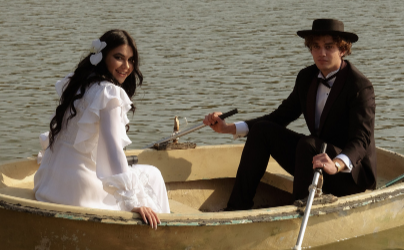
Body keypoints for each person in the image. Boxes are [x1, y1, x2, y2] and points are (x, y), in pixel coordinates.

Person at [203, 19, 376, 210]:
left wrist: (335, 164)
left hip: (348, 174)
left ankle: (298, 209)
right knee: (262, 131)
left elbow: (360, 141)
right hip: (314, 162)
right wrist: (228, 128)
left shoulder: (360, 86)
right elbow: (279, 117)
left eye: (329, 47)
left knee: (308, 145)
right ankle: (237, 207)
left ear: (343, 50)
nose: (322, 53)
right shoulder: (306, 78)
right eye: (316, 47)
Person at [34, 29, 170, 229]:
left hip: (49, 184)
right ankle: (161, 234)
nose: (126, 67)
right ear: (102, 57)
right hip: (80, 191)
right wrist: (133, 201)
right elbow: (113, 148)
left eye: (131, 60)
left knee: (140, 174)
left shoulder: (79, 83)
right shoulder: (109, 92)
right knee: (154, 175)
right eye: (118, 58)